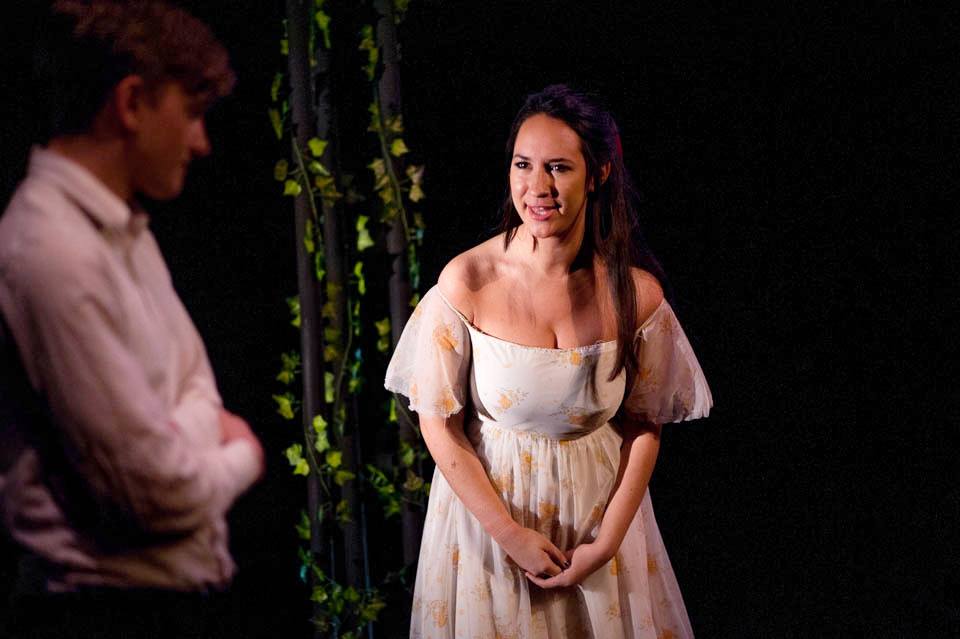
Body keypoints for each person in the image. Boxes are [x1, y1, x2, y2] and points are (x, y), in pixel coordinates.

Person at [385, 85, 712, 637]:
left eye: (558, 168)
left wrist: (605, 545)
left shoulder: (635, 295)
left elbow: (645, 422)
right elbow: (437, 424)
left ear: (598, 173)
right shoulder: (468, 281)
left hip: (597, 527)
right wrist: (509, 535)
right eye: (523, 165)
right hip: (492, 529)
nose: (537, 187)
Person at [0, 2, 263, 637]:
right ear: (132, 103)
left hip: (169, 603)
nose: (200, 142)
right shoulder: (53, 251)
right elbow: (154, 495)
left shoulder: (126, 232)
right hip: (101, 613)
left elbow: (198, 387)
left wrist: (181, 429)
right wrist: (244, 454)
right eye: (191, 113)